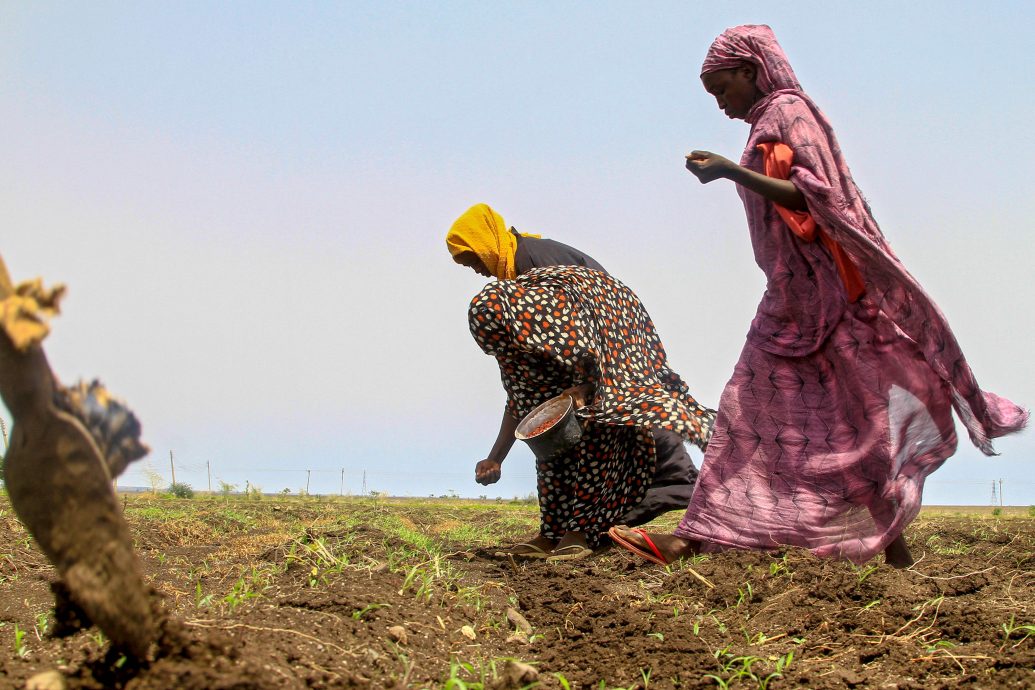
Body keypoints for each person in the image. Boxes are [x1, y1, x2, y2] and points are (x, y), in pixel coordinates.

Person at [609, 25, 1027, 568]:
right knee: (787, 417)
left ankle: (698, 539)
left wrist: (731, 170)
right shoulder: (767, 121)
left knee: (840, 419)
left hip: (833, 298)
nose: (721, 104)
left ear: (750, 70)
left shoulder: (789, 113)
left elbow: (816, 196)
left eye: (723, 88)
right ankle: (710, 536)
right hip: (791, 299)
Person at [447, 203, 714, 559]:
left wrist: (586, 389)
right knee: (551, 433)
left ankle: (584, 530)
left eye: (474, 260)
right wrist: (497, 457)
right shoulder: (514, 302)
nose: (478, 271)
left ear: (488, 242)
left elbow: (590, 340)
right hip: (581, 356)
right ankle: (553, 531)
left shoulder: (541, 270)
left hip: (611, 344)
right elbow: (521, 393)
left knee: (600, 428)